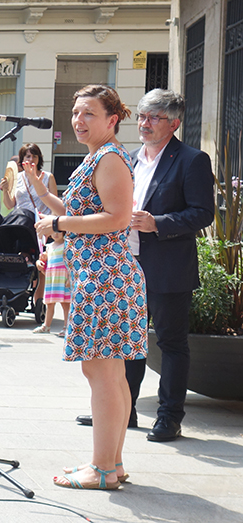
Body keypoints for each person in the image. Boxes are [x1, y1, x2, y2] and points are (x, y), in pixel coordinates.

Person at [73, 89, 214, 442]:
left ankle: (169, 416)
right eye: (141, 116)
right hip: (125, 266)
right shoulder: (129, 159)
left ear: (175, 123)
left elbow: (203, 213)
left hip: (167, 267)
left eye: (154, 118)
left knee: (171, 343)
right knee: (126, 343)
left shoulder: (191, 160)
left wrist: (158, 223)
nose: (144, 124)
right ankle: (123, 410)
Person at [32, 84, 147, 490]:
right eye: (76, 113)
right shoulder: (99, 155)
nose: (79, 121)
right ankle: (111, 464)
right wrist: (47, 199)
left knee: (101, 372)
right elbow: (83, 211)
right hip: (100, 277)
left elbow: (116, 218)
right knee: (110, 374)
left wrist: (59, 225)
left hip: (106, 278)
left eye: (89, 114)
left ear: (112, 120)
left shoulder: (111, 157)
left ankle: (101, 470)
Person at [0, 143, 57, 305]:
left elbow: (55, 204)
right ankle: (16, 296)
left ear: (39, 159)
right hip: (21, 226)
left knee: (41, 265)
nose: (31, 159)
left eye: (34, 156)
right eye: (27, 156)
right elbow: (10, 205)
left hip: (41, 226)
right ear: (22, 159)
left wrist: (50, 226)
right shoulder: (17, 179)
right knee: (18, 259)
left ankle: (38, 300)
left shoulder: (47, 177)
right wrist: (5, 189)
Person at [32, 231, 70, 336]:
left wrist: (70, 278)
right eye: (53, 232)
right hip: (52, 277)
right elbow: (44, 262)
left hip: (63, 277)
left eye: (59, 232)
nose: (56, 234)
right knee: (50, 303)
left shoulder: (67, 245)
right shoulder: (49, 247)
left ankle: (66, 327)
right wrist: (39, 263)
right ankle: (46, 326)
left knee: (65, 304)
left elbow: (70, 262)